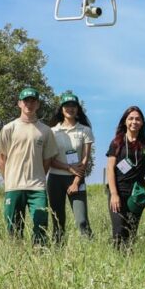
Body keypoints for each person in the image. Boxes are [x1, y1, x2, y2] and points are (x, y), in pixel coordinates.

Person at [0, 87, 60, 245]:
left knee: (41, 223)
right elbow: (1, 158)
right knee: (13, 226)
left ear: (38, 104)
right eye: (26, 101)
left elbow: (47, 160)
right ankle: (17, 259)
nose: (29, 104)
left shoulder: (45, 131)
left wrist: (37, 175)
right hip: (14, 186)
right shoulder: (9, 128)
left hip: (37, 186)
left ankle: (39, 255)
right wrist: (9, 179)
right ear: (19, 103)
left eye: (33, 101)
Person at [47, 91, 95, 243]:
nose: (70, 108)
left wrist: (76, 181)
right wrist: (68, 167)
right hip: (55, 179)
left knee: (82, 221)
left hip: (77, 179)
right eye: (67, 105)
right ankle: (57, 250)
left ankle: (89, 250)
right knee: (57, 220)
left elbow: (85, 159)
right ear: (61, 109)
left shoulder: (85, 130)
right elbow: (50, 159)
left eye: (73, 105)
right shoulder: (52, 131)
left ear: (78, 109)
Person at [105, 106, 145, 249]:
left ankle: (128, 264)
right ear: (125, 121)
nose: (134, 121)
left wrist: (142, 169)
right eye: (131, 118)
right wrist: (114, 194)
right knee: (118, 232)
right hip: (119, 191)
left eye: (138, 119)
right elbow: (110, 169)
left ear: (142, 122)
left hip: (137, 194)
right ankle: (116, 263)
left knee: (131, 231)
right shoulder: (117, 142)